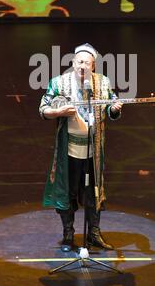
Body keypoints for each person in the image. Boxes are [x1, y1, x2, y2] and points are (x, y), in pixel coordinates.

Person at [39, 43, 123, 252]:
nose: (82, 66)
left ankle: (93, 233)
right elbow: (43, 109)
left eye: (87, 63)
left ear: (93, 66)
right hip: (69, 150)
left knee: (94, 191)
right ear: (73, 63)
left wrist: (114, 108)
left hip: (93, 151)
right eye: (79, 62)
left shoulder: (103, 83)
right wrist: (59, 113)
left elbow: (111, 108)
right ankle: (68, 234)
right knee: (68, 191)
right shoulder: (58, 83)